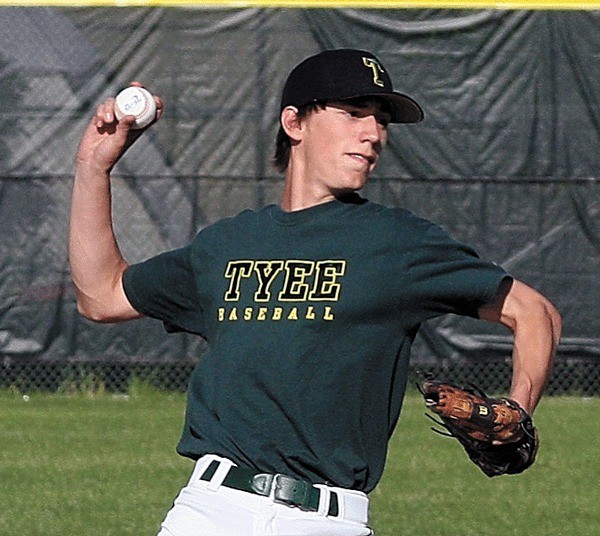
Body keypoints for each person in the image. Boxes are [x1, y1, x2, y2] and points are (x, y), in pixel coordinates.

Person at [69, 49, 561, 535]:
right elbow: (102, 295)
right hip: (208, 509)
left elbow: (533, 311)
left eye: (381, 121)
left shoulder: (396, 242)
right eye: (353, 113)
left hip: (327, 519)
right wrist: (93, 167)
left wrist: (518, 409)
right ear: (295, 123)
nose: (373, 134)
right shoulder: (227, 244)